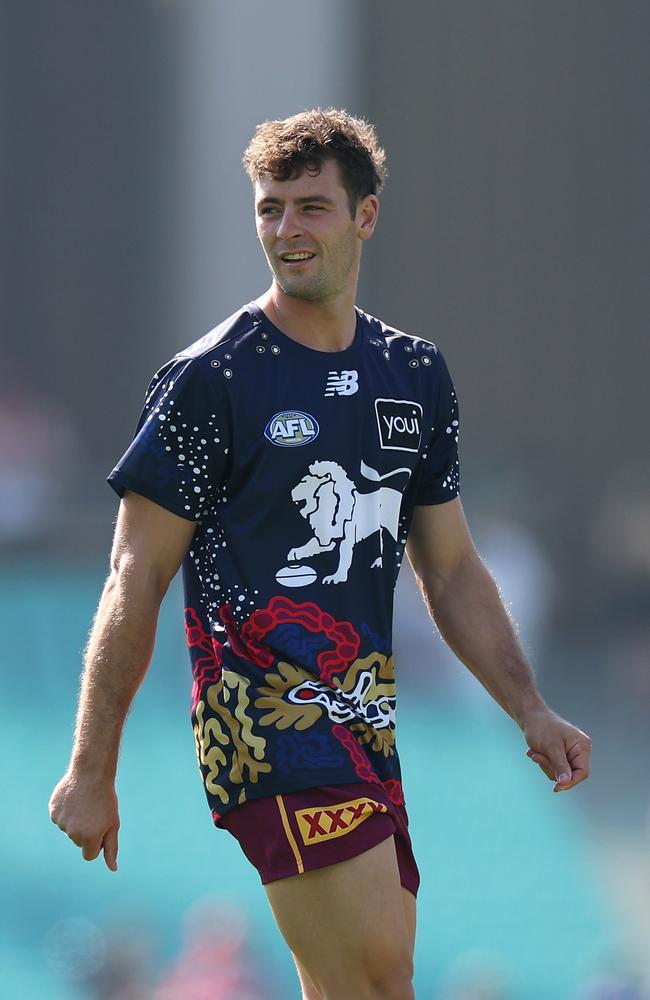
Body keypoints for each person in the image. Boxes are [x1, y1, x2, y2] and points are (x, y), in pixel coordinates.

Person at [50, 109, 592, 1000]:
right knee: (379, 980)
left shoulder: (414, 374)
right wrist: (91, 768)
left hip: (365, 724)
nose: (286, 230)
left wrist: (530, 710)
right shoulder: (211, 379)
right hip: (264, 723)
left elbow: (450, 568)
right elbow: (133, 577)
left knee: (360, 983)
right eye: (269, 209)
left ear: (366, 216)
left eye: (312, 207)